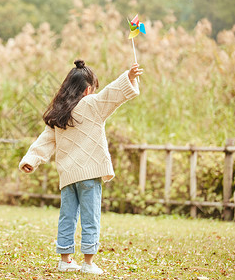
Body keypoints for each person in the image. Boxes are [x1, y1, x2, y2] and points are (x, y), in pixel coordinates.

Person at [18, 60, 143, 275]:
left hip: (68, 176)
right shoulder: (92, 104)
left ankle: (65, 260)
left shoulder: (59, 114)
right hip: (89, 173)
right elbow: (112, 93)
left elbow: (44, 141)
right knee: (90, 217)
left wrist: (30, 160)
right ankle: (88, 262)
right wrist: (129, 77)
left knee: (67, 216)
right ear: (88, 89)